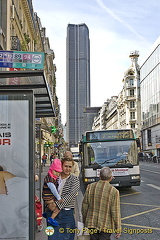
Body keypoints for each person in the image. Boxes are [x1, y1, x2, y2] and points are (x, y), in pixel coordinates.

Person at [82, 167, 121, 240]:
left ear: (99, 176)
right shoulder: (114, 191)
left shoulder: (90, 187)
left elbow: (84, 206)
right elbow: (115, 212)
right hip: (106, 225)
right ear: (111, 178)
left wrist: (85, 221)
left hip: (92, 222)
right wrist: (118, 229)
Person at [46, 157, 80, 240]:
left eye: (70, 167)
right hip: (51, 213)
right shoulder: (54, 177)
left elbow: (70, 195)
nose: (68, 169)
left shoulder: (74, 179)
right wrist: (48, 205)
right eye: (66, 166)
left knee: (67, 237)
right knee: (52, 237)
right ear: (61, 165)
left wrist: (56, 206)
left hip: (67, 215)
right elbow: (46, 191)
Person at [42, 159, 64, 226]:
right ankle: (51, 218)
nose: (57, 174)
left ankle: (45, 213)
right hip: (48, 197)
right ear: (52, 169)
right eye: (56, 171)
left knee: (49, 206)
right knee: (57, 208)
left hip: (48, 197)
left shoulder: (52, 177)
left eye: (59, 172)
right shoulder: (49, 179)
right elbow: (53, 189)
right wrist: (59, 198)